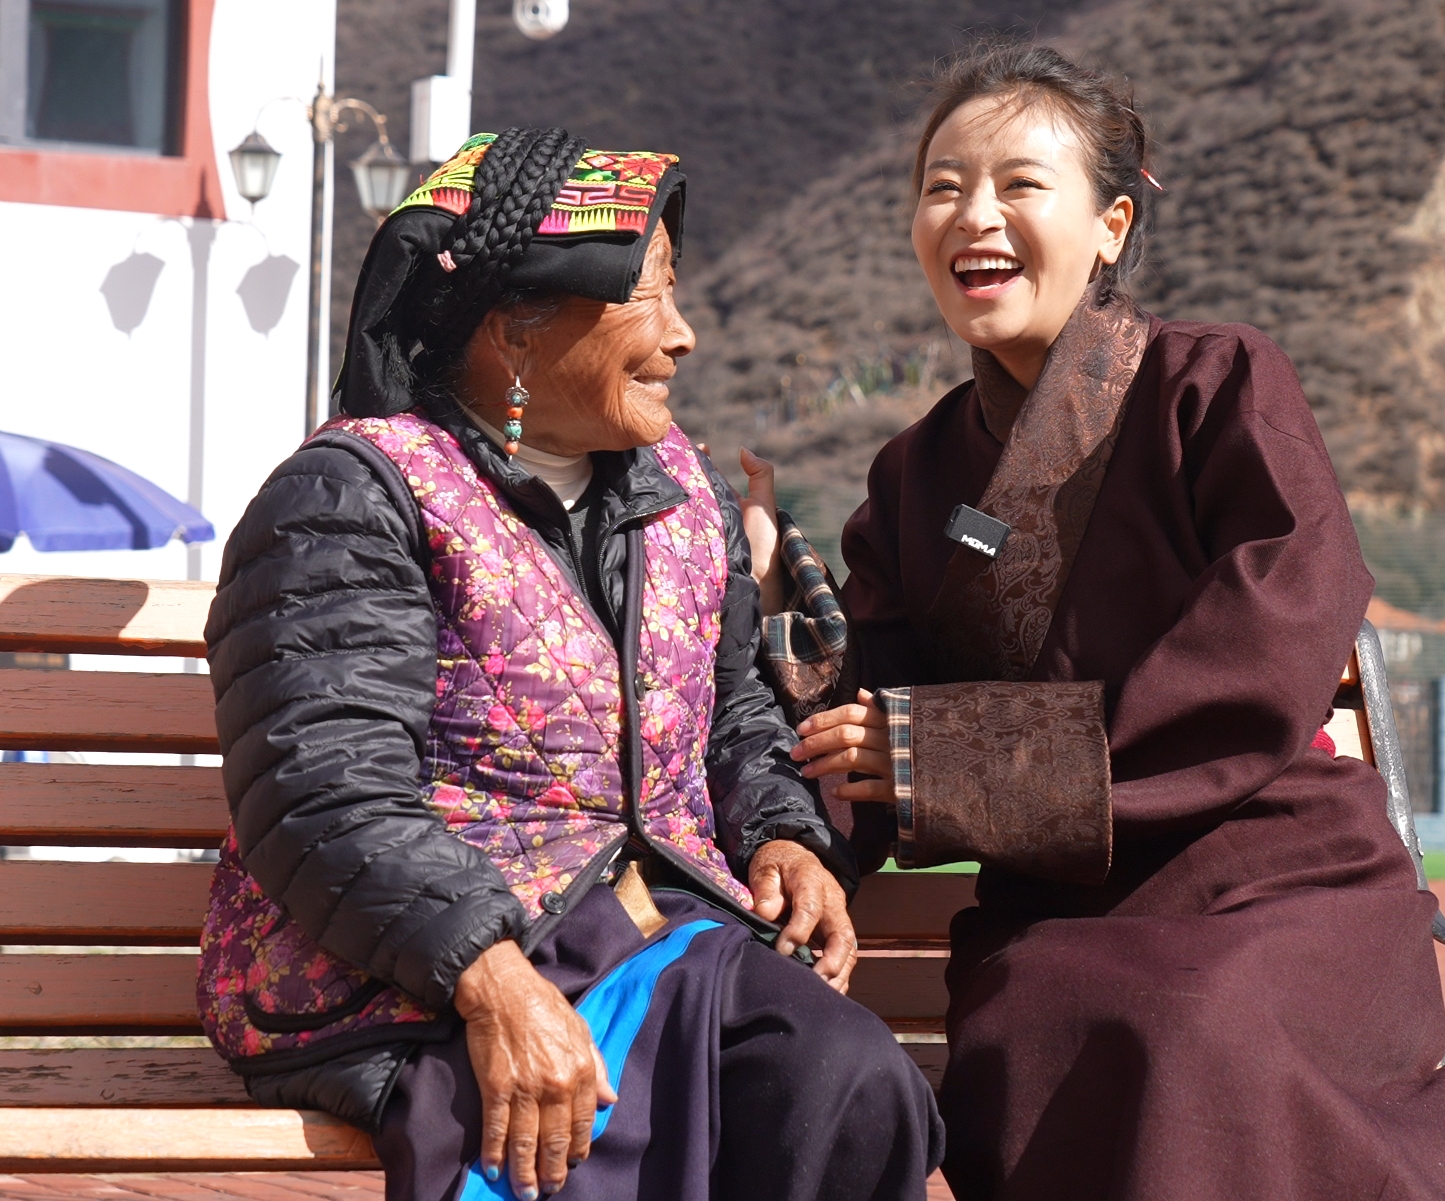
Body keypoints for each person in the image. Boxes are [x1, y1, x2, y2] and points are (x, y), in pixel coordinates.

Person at [742, 43, 1445, 1201]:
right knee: (1052, 1026)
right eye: (942, 186)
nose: (972, 215)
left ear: (1109, 225)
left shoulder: (1215, 385)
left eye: (1018, 183)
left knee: (1198, 1020)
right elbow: (867, 722)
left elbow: (1270, 642)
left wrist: (950, 761)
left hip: (1275, 877)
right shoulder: (913, 475)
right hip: (1059, 914)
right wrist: (776, 625)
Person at [196, 128, 942, 1201]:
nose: (681, 335)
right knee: (576, 1127)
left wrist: (782, 834)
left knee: (847, 1080)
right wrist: (489, 977)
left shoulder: (682, 497)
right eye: (646, 295)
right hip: (420, 970)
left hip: (658, 931)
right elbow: (320, 785)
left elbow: (732, 711)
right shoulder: (351, 497)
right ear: (512, 326)